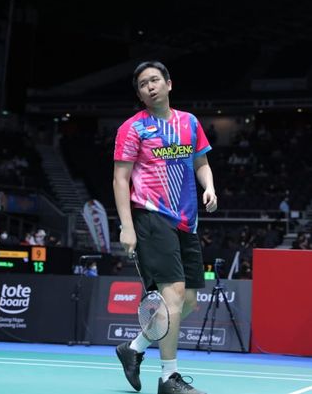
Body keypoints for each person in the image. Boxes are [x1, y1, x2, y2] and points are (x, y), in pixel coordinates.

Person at [113, 62, 217, 394]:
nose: (150, 87)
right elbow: (120, 178)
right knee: (171, 295)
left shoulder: (190, 123)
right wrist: (126, 227)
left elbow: (201, 161)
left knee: (187, 301)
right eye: (143, 84)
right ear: (140, 94)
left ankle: (133, 348)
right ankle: (168, 378)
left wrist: (209, 187)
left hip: (186, 220)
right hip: (151, 215)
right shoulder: (132, 128)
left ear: (169, 84)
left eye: (155, 80)